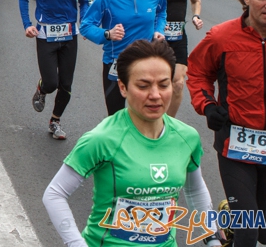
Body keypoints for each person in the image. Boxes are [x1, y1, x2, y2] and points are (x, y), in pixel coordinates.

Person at [43, 39, 225, 247]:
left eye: (163, 85)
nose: (155, 95)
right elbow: (55, 194)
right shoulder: (102, 138)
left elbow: (195, 189)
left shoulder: (187, 137)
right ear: (123, 87)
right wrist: (76, 243)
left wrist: (211, 237)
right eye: (143, 85)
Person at [187, 0, 266, 247]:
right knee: (249, 234)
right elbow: (198, 72)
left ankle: (227, 216)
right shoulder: (222, 37)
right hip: (235, 142)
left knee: (264, 233)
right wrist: (207, 105)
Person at [18, 0, 90, 140]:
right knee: (52, 83)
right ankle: (42, 88)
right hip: (45, 35)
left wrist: (84, 22)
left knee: (66, 84)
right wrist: (27, 25)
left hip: (69, 36)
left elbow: (84, 1)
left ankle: (55, 121)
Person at [80, 0, 167, 115]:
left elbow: (161, 12)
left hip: (145, 62)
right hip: (116, 63)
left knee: (144, 113)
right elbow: (85, 26)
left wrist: (158, 30)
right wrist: (107, 34)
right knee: (116, 115)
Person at [145, 0, 202, 117]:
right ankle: (148, 116)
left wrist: (196, 16)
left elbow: (195, 0)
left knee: (178, 83)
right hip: (157, 37)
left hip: (179, 37)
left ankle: (168, 122)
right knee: (154, 81)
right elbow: (141, 1)